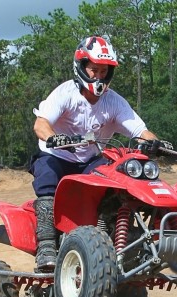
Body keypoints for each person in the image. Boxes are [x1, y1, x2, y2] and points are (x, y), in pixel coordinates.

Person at [30, 35, 159, 272]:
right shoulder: (65, 93)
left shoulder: (114, 102)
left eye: (104, 71)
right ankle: (46, 247)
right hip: (57, 157)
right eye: (94, 70)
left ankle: (117, 244)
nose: (98, 76)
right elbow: (41, 124)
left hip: (90, 160)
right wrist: (53, 138)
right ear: (81, 67)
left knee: (116, 184)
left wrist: (154, 143)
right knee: (47, 176)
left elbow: (140, 130)